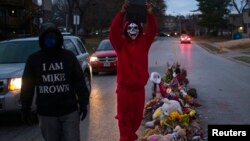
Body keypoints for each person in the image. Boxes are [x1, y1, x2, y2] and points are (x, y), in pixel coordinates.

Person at [20, 23, 89, 141]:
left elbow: (79, 81)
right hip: (46, 113)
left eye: (53, 37)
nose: (51, 40)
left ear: (58, 38)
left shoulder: (68, 57)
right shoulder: (34, 60)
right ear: (42, 39)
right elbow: (27, 86)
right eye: (47, 37)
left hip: (69, 111)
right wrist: (25, 107)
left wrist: (83, 102)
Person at [109, 0, 157, 140]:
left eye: (135, 28)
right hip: (125, 90)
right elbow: (113, 32)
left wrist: (150, 15)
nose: (133, 31)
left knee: (136, 120)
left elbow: (152, 31)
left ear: (139, 30)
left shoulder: (144, 43)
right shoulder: (121, 45)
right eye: (130, 29)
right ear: (125, 30)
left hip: (139, 90)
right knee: (124, 121)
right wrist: (122, 12)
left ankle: (130, 137)